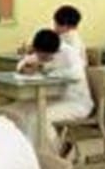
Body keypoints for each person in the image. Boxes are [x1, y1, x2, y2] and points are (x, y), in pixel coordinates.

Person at [6, 28, 94, 156]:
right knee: (16, 110)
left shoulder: (69, 53)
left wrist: (47, 71)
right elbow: (22, 63)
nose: (41, 58)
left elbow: (77, 74)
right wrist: (24, 68)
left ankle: (57, 150)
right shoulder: (44, 48)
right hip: (53, 98)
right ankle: (24, 151)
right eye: (39, 54)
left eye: (44, 56)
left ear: (54, 51)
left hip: (76, 102)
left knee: (39, 117)